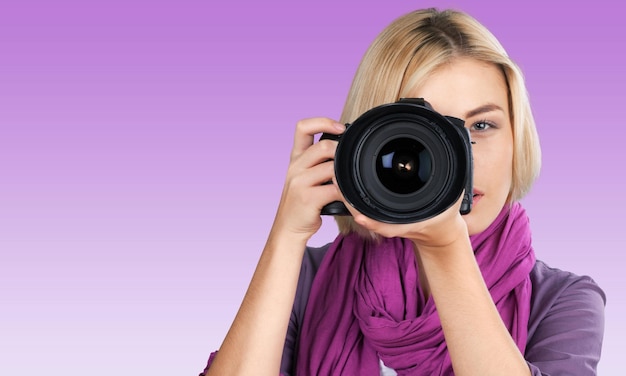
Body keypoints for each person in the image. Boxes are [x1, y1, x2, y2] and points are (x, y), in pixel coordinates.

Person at [201, 8, 605, 376]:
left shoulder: (562, 300)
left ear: (518, 136)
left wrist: (447, 249)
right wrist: (286, 237)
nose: (461, 162)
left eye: (481, 126)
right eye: (425, 137)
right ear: (365, 148)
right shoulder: (306, 278)